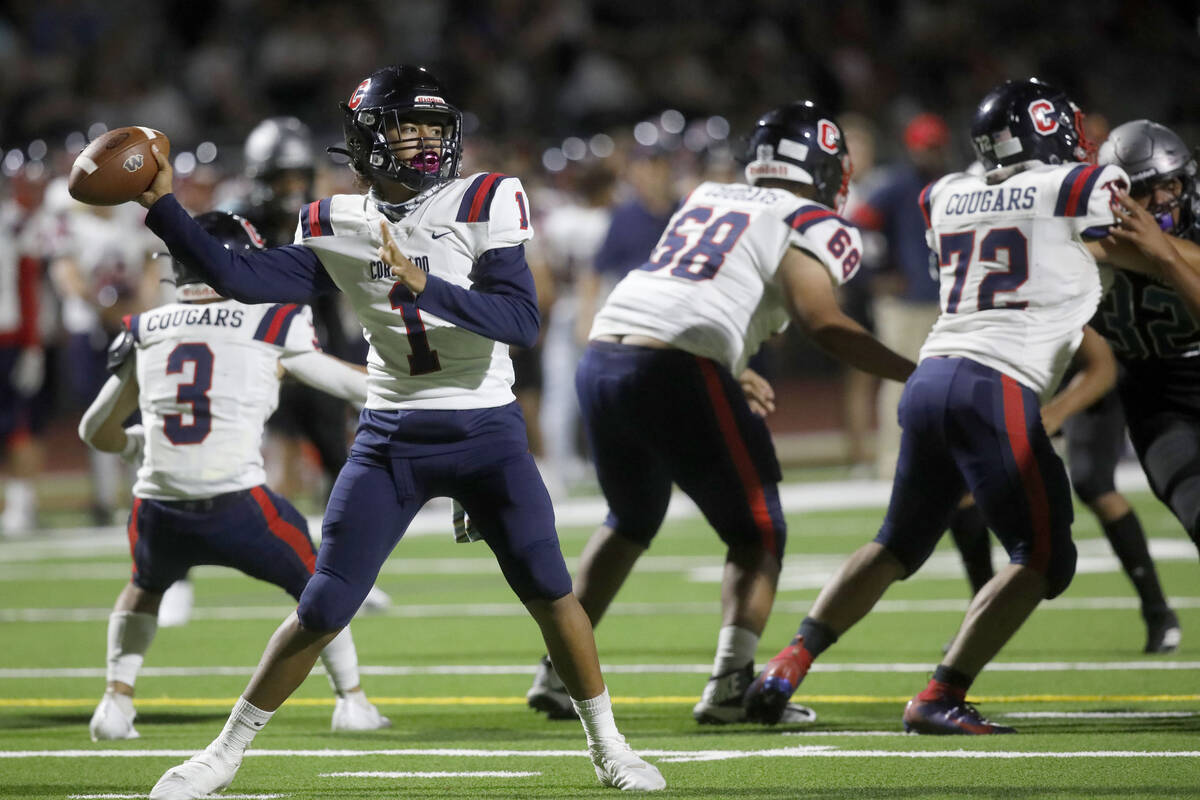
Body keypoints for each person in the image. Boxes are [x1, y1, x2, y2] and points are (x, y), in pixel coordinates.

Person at [134, 65, 663, 797]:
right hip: (393, 435)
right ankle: (221, 754)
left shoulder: (485, 197)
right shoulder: (332, 221)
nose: (423, 141)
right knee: (323, 603)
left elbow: (521, 321)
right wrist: (164, 208)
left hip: (486, 427)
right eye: (405, 126)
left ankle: (611, 747)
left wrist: (427, 284)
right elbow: (244, 278)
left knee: (549, 588)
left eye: (434, 127)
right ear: (365, 139)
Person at [744, 78, 1159, 734]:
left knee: (895, 543)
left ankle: (788, 663)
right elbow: (1120, 221)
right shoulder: (1075, 186)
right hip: (997, 383)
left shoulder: (946, 193)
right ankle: (942, 691)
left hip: (933, 374)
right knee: (1046, 558)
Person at [524, 101, 916, 726]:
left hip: (605, 354)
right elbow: (823, 321)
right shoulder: (808, 217)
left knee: (628, 520)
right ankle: (731, 686)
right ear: (821, 166)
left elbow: (689, 287)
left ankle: (555, 673)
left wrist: (731, 364)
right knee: (757, 532)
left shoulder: (711, 195)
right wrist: (913, 373)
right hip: (676, 365)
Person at [77, 211, 390, 742]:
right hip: (238, 505)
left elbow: (93, 430)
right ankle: (352, 701)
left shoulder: (145, 327)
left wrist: (135, 443)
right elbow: (350, 387)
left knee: (143, 588)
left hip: (158, 505)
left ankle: (115, 703)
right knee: (321, 587)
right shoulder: (270, 321)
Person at [1091, 120, 1200, 572]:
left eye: (1168, 184)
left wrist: (1165, 257)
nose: (1160, 200)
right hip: (1157, 403)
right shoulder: (1087, 235)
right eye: (1143, 191)